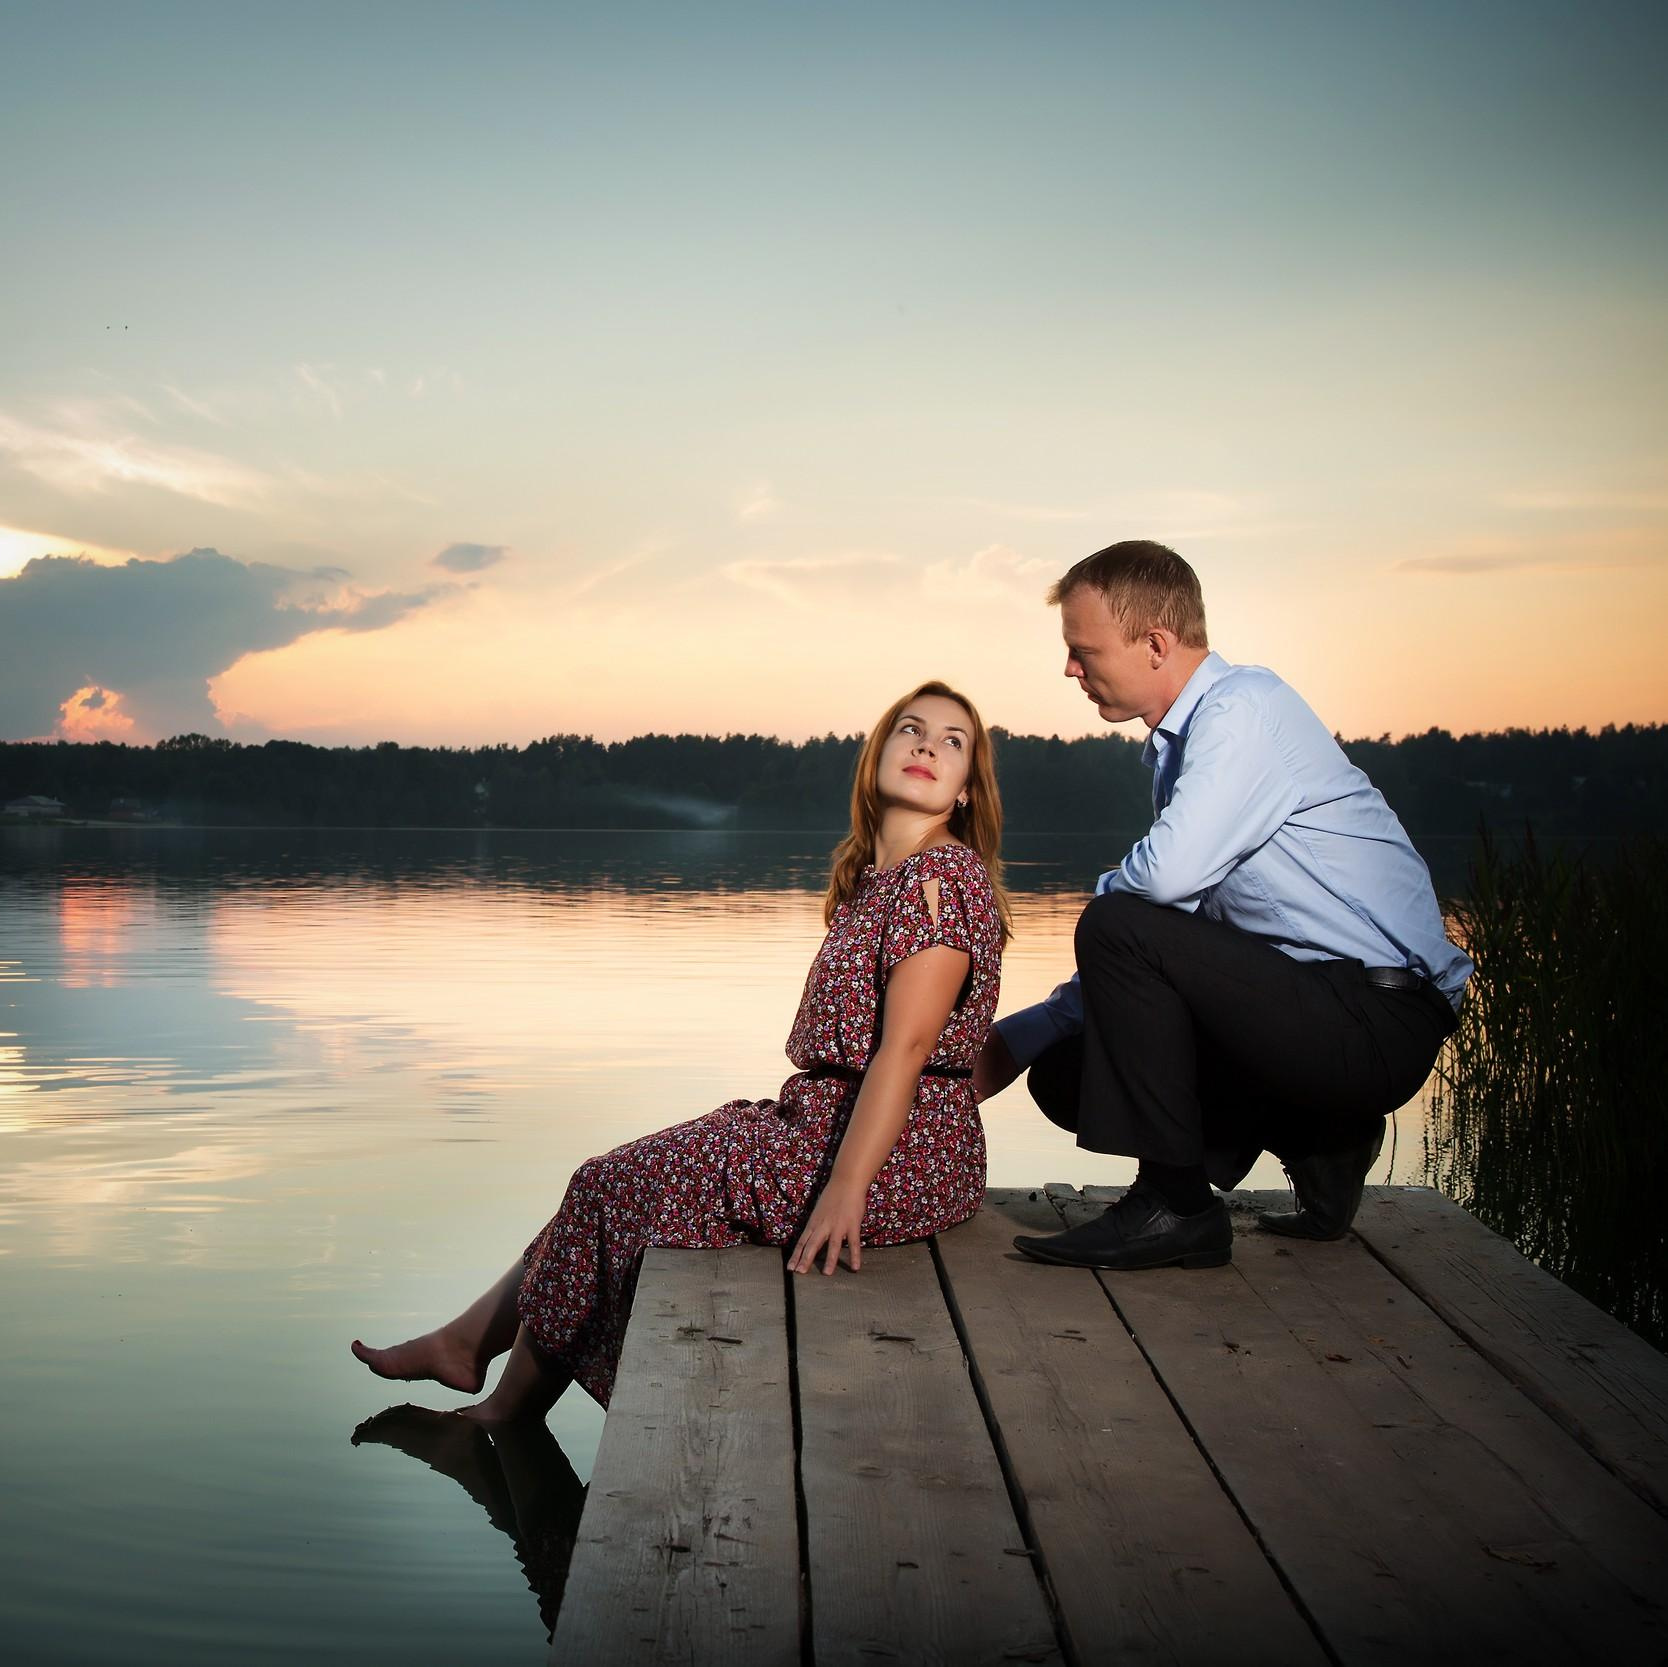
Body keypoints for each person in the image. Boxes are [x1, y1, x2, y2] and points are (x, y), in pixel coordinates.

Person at [351, 681, 1011, 1422]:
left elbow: (908, 1049)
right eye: (911, 729)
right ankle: (477, 1356)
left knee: (613, 1185)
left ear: (963, 793)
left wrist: (846, 1187)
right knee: (608, 1179)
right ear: (876, 758)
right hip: (831, 1124)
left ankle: (494, 1392)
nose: (927, 744)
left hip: (894, 1152)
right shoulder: (878, 880)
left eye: (952, 741)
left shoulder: (940, 878)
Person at [976, 540, 1470, 1271]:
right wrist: (1028, 1036)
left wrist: (1099, 938)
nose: (1071, 669)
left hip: (1377, 1020)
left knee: (1116, 921)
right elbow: (1173, 937)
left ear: (1154, 643)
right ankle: (1322, 1140)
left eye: (1084, 649)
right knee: (1067, 1071)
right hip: (1320, 1013)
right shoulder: (1188, 749)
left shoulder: (1244, 711)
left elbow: (1156, 894)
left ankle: (1177, 1205)